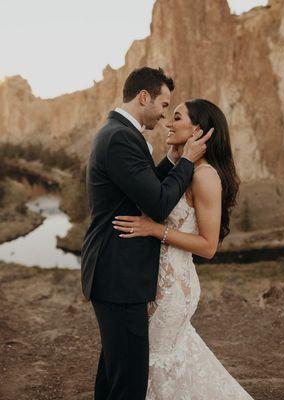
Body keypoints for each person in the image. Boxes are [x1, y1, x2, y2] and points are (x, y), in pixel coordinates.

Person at [81, 67, 213, 400]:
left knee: (114, 373)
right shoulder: (122, 137)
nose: (165, 115)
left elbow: (141, 186)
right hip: (119, 275)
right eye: (164, 105)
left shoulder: (116, 132)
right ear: (144, 97)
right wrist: (187, 161)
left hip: (115, 274)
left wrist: (171, 161)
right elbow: (156, 203)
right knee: (129, 384)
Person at [113, 99, 254, 399]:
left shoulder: (205, 176)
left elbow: (208, 246)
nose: (168, 122)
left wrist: (154, 230)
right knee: (154, 364)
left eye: (177, 117)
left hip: (172, 289)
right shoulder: (184, 169)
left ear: (197, 130)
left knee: (155, 364)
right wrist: (173, 158)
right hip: (154, 284)